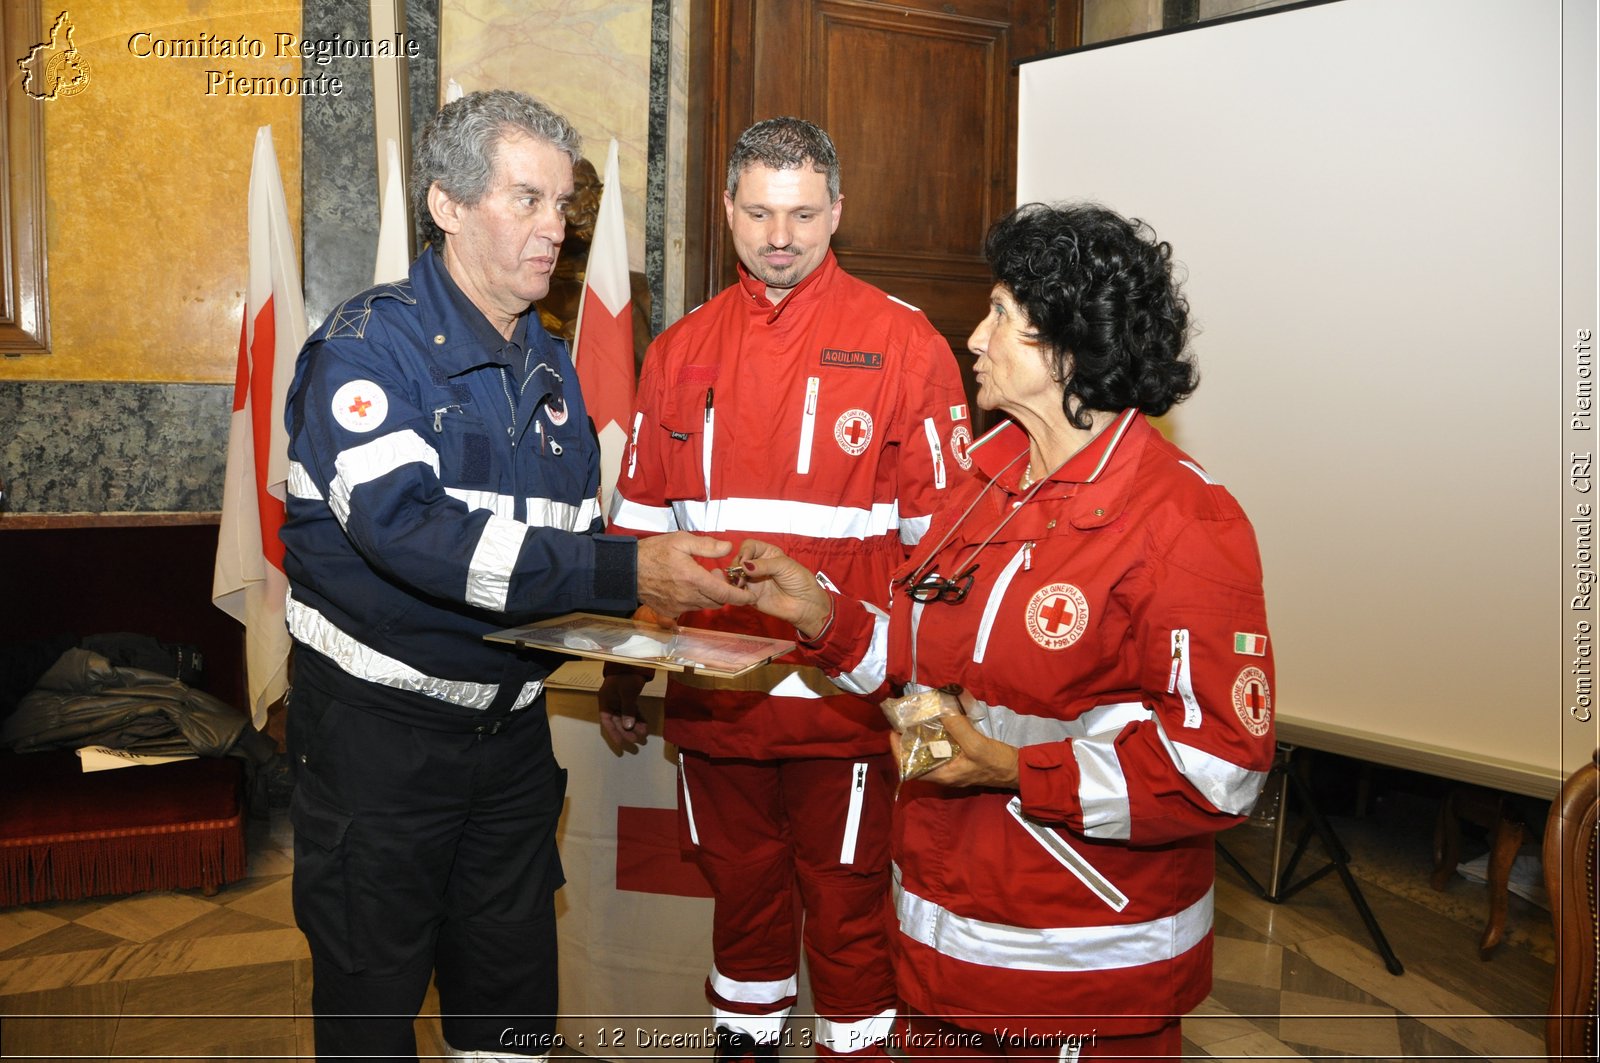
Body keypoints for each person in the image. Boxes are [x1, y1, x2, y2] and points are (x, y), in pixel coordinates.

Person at [732, 202, 1277, 1060]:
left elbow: (1221, 770)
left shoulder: (1184, 520)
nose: (974, 337)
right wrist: (823, 616)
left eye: (1000, 318)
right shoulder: (984, 477)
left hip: (1080, 976)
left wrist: (1012, 767)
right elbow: (923, 675)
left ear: (1066, 350)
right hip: (935, 952)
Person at [279, 90, 752, 1063]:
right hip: (381, 746)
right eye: (527, 200)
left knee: (511, 1011)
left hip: (509, 748)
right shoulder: (368, 349)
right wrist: (632, 572)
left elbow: (563, 551)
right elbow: (407, 532)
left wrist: (637, 650)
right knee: (371, 1014)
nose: (555, 230)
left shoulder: (551, 368)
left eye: (564, 207)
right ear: (447, 204)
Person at [600, 117, 968, 1059]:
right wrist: (621, 677)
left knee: (849, 917)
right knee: (742, 908)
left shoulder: (908, 344)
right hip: (715, 701)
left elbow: (945, 557)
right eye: (759, 211)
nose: (779, 236)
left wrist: (934, 707)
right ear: (727, 211)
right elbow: (640, 536)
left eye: (803, 214)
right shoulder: (678, 348)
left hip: (850, 706)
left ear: (837, 211)